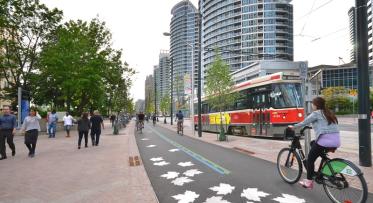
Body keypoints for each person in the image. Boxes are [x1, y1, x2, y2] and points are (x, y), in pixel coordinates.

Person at [289, 97, 340, 189]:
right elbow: (325, 125)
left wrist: (293, 127)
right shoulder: (329, 113)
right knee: (313, 143)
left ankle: (309, 182)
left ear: (316, 105)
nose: (312, 105)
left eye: (313, 104)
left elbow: (304, 122)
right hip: (336, 140)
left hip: (325, 141)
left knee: (310, 160)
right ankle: (323, 159)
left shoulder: (316, 113)